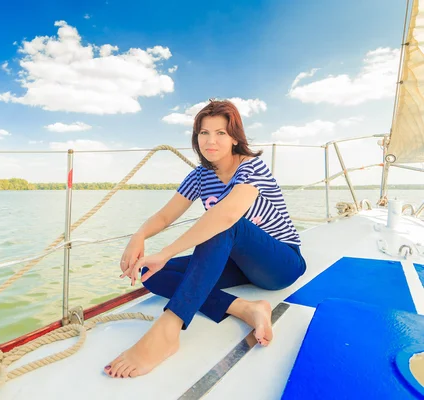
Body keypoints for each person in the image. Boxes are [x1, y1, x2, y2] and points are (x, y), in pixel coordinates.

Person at [104, 100, 307, 379]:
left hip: (281, 264)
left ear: (235, 137)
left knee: (222, 224)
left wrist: (165, 251)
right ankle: (246, 309)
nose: (211, 141)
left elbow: (226, 217)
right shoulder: (200, 176)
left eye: (221, 133)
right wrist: (138, 236)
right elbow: (164, 217)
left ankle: (169, 328)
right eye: (204, 133)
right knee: (150, 273)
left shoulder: (252, 168)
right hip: (238, 262)